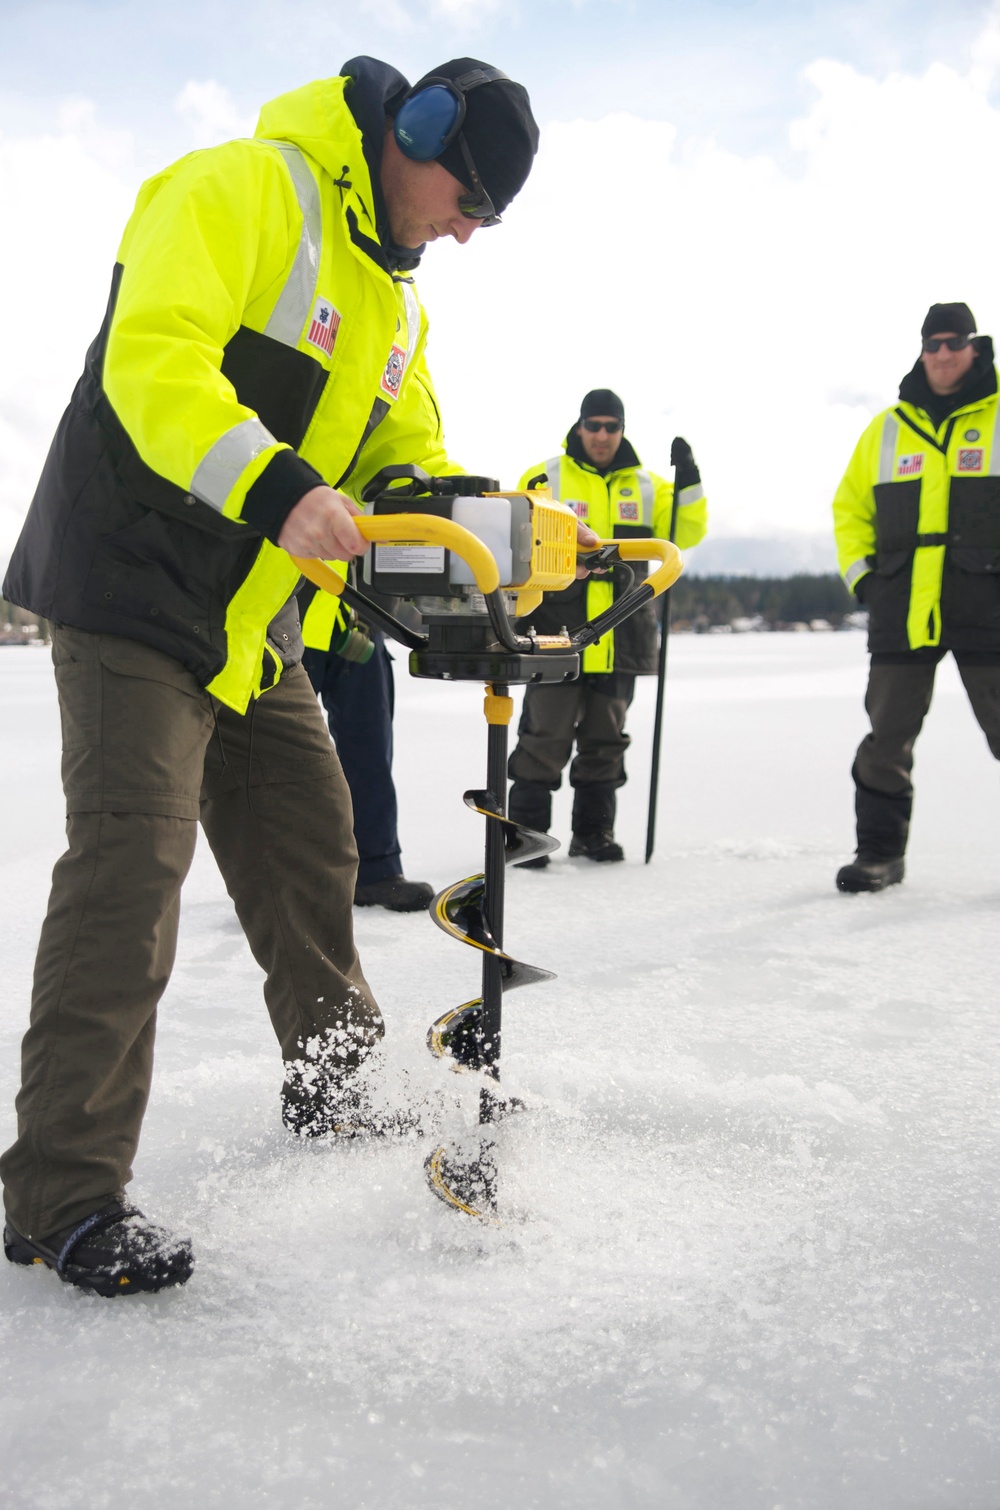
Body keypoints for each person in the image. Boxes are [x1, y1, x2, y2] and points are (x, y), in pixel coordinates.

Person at [0, 56, 539, 1296]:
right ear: (416, 131)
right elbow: (153, 361)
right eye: (465, 199)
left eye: (487, 219)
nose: (465, 232)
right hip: (133, 586)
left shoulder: (394, 306)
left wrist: (473, 520)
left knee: (310, 838)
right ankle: (63, 1194)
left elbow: (402, 454)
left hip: (251, 618)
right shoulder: (239, 189)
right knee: (131, 869)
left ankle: (334, 1086)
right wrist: (280, 486)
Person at [833, 301, 1000, 893]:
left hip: (990, 611)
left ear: (975, 346)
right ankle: (879, 856)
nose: (943, 354)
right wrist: (868, 583)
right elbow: (849, 511)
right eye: (933, 344)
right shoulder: (887, 428)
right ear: (922, 350)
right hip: (903, 610)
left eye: (954, 342)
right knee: (886, 739)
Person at [507, 389, 708, 863]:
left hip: (622, 636)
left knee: (605, 742)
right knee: (543, 739)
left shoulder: (650, 487)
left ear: (622, 430)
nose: (602, 435)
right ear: (579, 427)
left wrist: (690, 480)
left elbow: (688, 531)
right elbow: (518, 540)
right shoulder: (545, 476)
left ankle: (593, 835)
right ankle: (524, 838)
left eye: (611, 427)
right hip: (556, 635)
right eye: (594, 425)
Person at [298, 588, 434, 913]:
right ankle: (275, 877)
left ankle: (376, 871)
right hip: (289, 622)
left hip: (362, 620)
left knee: (370, 754)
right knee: (279, 758)